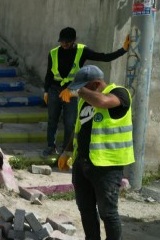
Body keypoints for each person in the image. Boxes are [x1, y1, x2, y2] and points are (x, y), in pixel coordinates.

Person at [57, 65, 134, 240]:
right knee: (86, 207)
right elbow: (79, 129)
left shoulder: (119, 93)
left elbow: (103, 102)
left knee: (108, 212)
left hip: (107, 166)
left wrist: (79, 90)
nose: (80, 91)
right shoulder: (86, 101)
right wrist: (66, 152)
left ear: (96, 84)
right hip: (84, 163)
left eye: (85, 87)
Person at [42, 27, 130, 157]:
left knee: (70, 121)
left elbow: (103, 57)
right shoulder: (53, 53)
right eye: (62, 42)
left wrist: (123, 50)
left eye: (67, 42)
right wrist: (46, 91)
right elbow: (49, 73)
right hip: (55, 89)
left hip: (73, 90)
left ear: (74, 40)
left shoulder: (82, 50)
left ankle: (65, 151)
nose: (64, 44)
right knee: (52, 119)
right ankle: (50, 146)